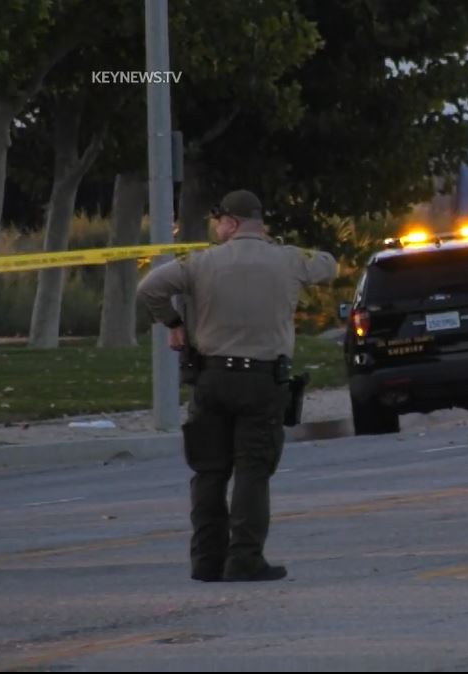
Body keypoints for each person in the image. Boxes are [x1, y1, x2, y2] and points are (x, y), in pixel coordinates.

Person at [138, 190, 337, 582]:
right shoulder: (288, 259)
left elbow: (150, 288)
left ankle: (206, 561)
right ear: (258, 223)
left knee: (209, 471)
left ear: (229, 222)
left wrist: (174, 324)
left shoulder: (199, 263)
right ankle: (244, 558)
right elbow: (328, 266)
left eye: (218, 224)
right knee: (252, 470)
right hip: (262, 380)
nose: (216, 230)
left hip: (211, 378)